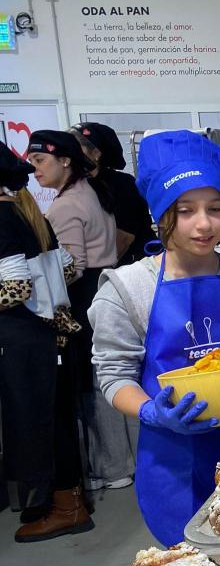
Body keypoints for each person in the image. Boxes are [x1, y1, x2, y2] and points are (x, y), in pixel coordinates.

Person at [88, 130, 220, 546]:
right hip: (174, 462)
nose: (204, 224)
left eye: (215, 209)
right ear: (160, 214)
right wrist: (152, 412)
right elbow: (114, 377)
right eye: (185, 211)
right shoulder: (127, 288)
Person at [27, 130, 136, 492]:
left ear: (65, 161)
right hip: (104, 286)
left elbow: (71, 266)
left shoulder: (66, 205)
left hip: (84, 296)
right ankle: (123, 461)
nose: (34, 167)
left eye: (40, 160)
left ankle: (112, 466)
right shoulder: (90, 192)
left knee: (94, 384)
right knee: (110, 375)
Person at [0, 142, 92, 542]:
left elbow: (14, 288)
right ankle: (62, 501)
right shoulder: (28, 211)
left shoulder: (2, 216)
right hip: (52, 332)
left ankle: (66, 508)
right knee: (55, 422)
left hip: (26, 339)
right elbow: (68, 268)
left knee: (42, 425)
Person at [69, 121, 157, 266]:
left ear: (96, 153)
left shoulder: (122, 184)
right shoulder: (79, 185)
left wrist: (96, 274)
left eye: (77, 148)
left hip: (132, 266)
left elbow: (124, 238)